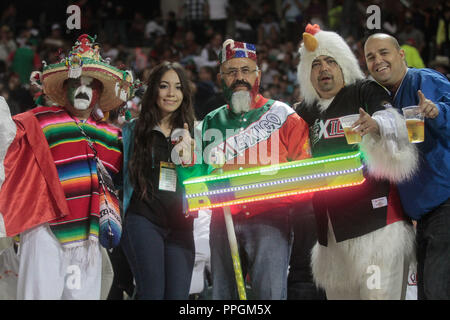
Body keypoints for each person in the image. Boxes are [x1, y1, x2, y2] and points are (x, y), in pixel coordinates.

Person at [0, 34, 136, 299]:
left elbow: (127, 174)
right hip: (44, 230)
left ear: (99, 92)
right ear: (65, 88)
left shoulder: (111, 135)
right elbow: (6, 143)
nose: (83, 90)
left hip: (88, 238)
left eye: (90, 85)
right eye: (76, 83)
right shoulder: (39, 121)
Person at [176, 39, 312, 300]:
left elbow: (305, 175)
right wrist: (188, 162)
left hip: (271, 219)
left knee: (270, 294)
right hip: (221, 219)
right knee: (224, 296)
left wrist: (271, 194)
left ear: (258, 74)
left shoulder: (283, 115)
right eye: (232, 72)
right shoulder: (212, 121)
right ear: (221, 78)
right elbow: (200, 176)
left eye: (246, 70)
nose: (240, 78)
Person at [295, 24, 417, 300]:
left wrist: (377, 125)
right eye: (315, 64)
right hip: (332, 236)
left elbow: (391, 120)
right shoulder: (306, 111)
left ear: (344, 65)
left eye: (330, 61)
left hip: (377, 227)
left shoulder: (364, 90)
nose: (323, 68)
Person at [364, 33, 450, 300]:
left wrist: (438, 112)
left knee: (436, 291)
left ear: (401, 55)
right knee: (427, 292)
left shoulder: (425, 80)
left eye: (384, 52)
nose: (378, 60)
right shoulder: (382, 97)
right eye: (371, 57)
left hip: (445, 204)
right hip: (423, 214)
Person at [120, 61, 196, 300]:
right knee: (151, 293)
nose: (171, 93)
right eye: (164, 86)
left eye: (178, 87)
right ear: (153, 90)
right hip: (143, 219)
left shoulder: (196, 132)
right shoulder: (132, 130)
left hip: (181, 226)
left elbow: (204, 181)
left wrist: (190, 162)